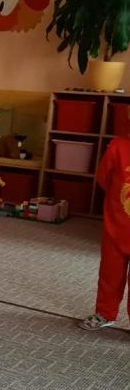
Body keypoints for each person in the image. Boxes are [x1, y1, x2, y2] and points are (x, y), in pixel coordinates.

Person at [80, 131, 130, 331]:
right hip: (116, 226)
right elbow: (104, 178)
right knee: (110, 274)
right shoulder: (118, 146)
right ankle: (105, 312)